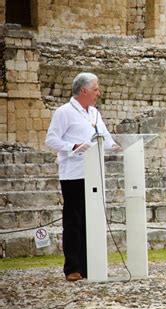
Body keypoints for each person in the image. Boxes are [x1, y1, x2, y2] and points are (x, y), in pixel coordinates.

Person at [45, 72, 119, 281]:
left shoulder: (95, 113)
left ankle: (90, 265)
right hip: (74, 175)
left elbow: (106, 137)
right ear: (84, 90)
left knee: (92, 220)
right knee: (74, 221)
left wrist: (116, 146)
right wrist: (73, 146)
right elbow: (51, 140)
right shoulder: (64, 112)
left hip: (95, 173)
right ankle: (73, 268)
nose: (99, 93)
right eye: (96, 89)